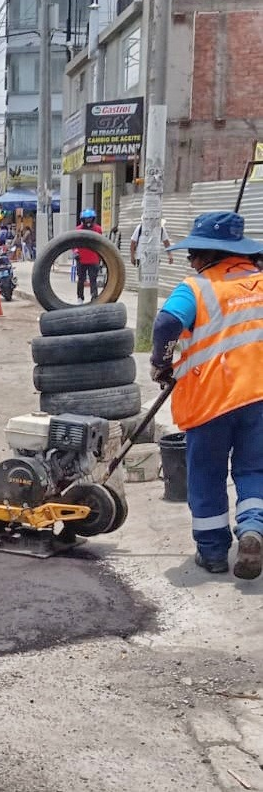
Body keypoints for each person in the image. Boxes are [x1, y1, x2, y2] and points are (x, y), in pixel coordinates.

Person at [150, 212, 263, 581]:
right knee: (253, 470)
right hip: (259, 401)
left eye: (192, 255)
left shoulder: (196, 288)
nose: (191, 262)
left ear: (206, 255)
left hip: (212, 401)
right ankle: (252, 529)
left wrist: (161, 363)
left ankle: (214, 553)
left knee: (207, 474)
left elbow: (167, 324)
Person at [74, 208, 103, 302]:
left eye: (90, 219)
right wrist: (76, 252)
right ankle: (80, 297)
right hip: (81, 258)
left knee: (93, 279)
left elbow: (101, 243)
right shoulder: (78, 230)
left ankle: (94, 297)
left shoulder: (98, 229)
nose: (88, 221)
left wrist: (101, 255)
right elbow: (72, 243)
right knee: (81, 279)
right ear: (82, 220)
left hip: (93, 258)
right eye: (86, 219)